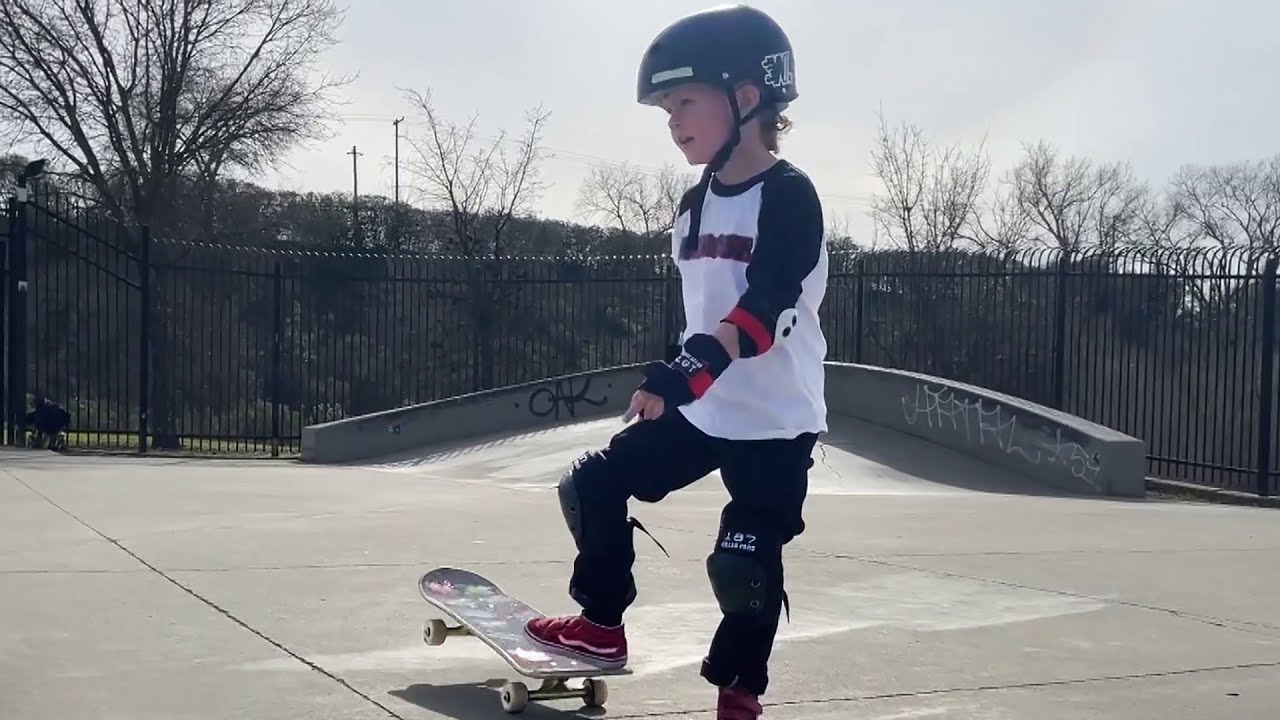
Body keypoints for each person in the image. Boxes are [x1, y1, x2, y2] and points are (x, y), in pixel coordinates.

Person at [523, 5, 827, 718]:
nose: (672, 121)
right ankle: (599, 627)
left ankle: (738, 697)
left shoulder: (789, 197)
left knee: (743, 563)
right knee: (592, 484)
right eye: (665, 108)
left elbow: (768, 307)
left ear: (746, 98)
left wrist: (688, 371)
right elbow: (701, 313)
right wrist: (674, 375)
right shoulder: (692, 207)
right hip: (705, 408)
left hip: (776, 420)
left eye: (684, 101)